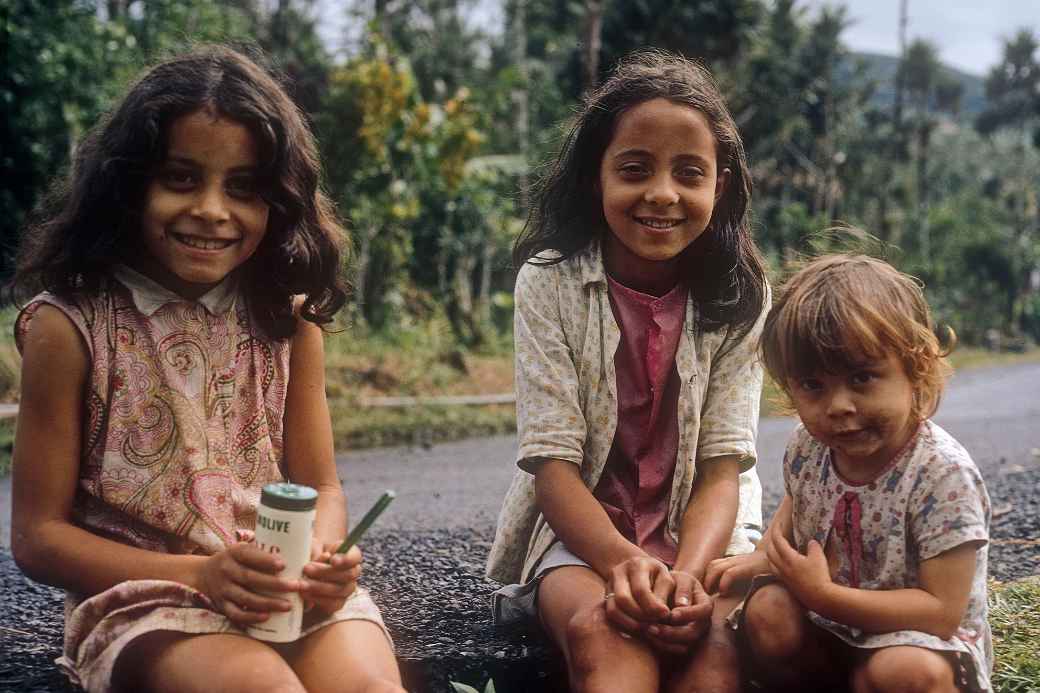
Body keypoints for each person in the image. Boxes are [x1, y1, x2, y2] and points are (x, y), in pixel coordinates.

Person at [8, 46, 404, 693]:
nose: (213, 211)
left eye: (243, 187)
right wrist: (203, 574)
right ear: (129, 182)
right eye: (182, 178)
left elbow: (322, 487)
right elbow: (37, 536)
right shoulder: (71, 324)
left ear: (278, 200)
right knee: (265, 687)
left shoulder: (286, 317)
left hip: (281, 590)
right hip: (149, 602)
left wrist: (322, 560)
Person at [486, 49, 770, 693]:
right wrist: (625, 565)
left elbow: (724, 470)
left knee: (713, 653)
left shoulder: (739, 295)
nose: (662, 194)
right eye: (635, 170)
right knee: (602, 634)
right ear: (596, 176)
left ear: (718, 185)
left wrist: (688, 577)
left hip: (706, 536)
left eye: (689, 173)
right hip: (586, 535)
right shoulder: (550, 283)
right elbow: (552, 468)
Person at [705, 254, 992, 692]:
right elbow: (798, 516)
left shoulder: (942, 474)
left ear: (916, 369)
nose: (838, 406)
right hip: (834, 629)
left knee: (903, 672)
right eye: (813, 385)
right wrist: (760, 559)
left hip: (918, 640)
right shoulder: (809, 445)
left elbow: (940, 611)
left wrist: (825, 596)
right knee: (767, 612)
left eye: (862, 378)